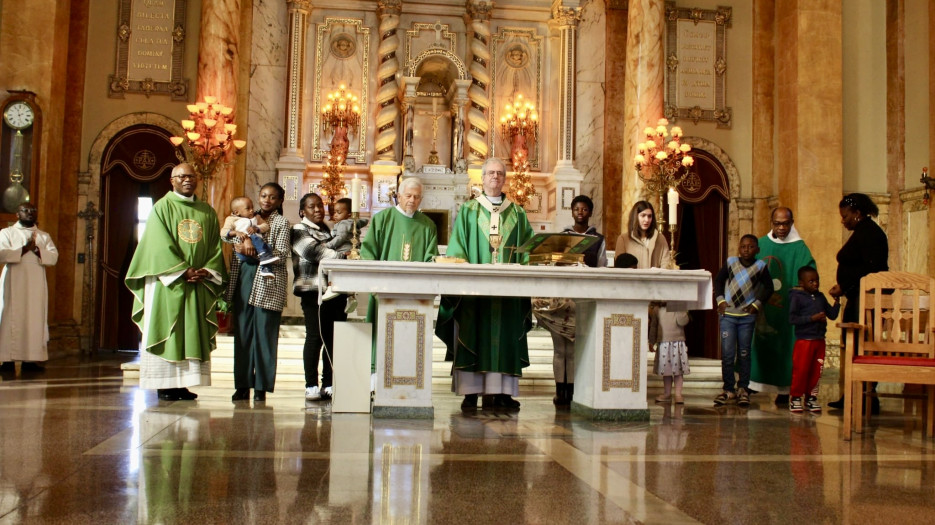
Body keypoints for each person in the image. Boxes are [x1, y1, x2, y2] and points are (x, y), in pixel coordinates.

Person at [435, 157, 535, 411]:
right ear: (482, 177)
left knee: (507, 336)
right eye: (490, 173)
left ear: (505, 178)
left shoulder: (518, 213)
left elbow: (528, 250)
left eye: (500, 173)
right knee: (473, 331)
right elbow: (457, 249)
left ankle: (503, 393)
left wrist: (523, 267)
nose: (495, 177)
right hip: (474, 293)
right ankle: (471, 392)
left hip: (509, 293)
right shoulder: (469, 211)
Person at [125, 163, 227, 401]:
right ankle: (165, 384)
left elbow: (214, 247)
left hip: (197, 283)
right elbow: (157, 244)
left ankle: (183, 384)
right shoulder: (162, 207)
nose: (187, 180)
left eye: (191, 176)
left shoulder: (207, 211)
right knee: (169, 331)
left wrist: (206, 270)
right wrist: (183, 270)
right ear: (172, 180)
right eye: (182, 177)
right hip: (168, 283)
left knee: (191, 330)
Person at [360, 177, 438, 384]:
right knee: (381, 334)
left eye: (417, 197)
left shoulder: (428, 225)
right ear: (398, 196)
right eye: (408, 196)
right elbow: (368, 252)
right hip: (384, 291)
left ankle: (409, 378)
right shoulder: (382, 219)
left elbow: (432, 258)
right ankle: (376, 380)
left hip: (415, 295)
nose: (412, 200)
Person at [532, 194, 607, 406]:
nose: (580, 213)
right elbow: (553, 265)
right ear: (572, 212)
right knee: (559, 349)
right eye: (577, 209)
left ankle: (571, 391)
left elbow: (601, 267)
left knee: (573, 350)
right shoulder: (562, 237)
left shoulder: (598, 239)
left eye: (584, 209)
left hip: (582, 299)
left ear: (590, 212)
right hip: (561, 298)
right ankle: (559, 390)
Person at [227, 182, 290, 403]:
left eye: (273, 197)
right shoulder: (245, 218)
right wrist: (242, 244)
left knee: (265, 334)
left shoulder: (282, 223)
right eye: (263, 195)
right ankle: (242, 385)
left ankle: (261, 386)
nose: (267, 200)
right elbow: (232, 241)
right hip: (245, 275)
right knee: (243, 334)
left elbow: (281, 255)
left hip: (269, 280)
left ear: (280, 201)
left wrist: (254, 252)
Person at [827, 193, 888, 410]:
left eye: (845, 216)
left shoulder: (870, 233)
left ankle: (866, 398)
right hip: (856, 297)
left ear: (858, 213)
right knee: (852, 347)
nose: (843, 220)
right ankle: (852, 396)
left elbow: (870, 270)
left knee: (862, 347)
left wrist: (845, 286)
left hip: (867, 301)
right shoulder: (863, 231)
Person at [750, 207, 816, 406]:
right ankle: (752, 384)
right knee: (759, 343)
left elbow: (809, 272)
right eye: (777, 224)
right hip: (763, 306)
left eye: (785, 224)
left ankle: (785, 390)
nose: (781, 228)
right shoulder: (760, 244)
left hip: (788, 307)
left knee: (787, 347)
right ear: (771, 222)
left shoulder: (800, 247)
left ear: (792, 222)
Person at [292, 193, 347, 402]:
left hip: (335, 290)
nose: (317, 210)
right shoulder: (298, 230)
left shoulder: (328, 231)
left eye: (320, 206)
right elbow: (314, 251)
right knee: (315, 337)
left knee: (333, 339)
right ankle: (311, 384)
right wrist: (342, 255)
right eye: (312, 207)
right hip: (312, 290)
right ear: (302, 211)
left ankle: (329, 383)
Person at [713, 235, 774, 407]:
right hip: (728, 316)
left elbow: (769, 287)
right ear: (739, 248)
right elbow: (718, 280)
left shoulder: (760, 266)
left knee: (744, 353)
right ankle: (728, 389)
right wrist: (720, 300)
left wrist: (757, 304)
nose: (746, 249)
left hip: (747, 317)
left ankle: (743, 389)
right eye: (743, 246)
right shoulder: (731, 262)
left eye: (751, 246)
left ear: (757, 250)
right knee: (727, 354)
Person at [0, 202, 59, 372]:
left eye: (33, 210)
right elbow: (2, 253)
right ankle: (7, 360)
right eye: (25, 210)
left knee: (34, 316)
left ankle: (30, 360)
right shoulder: (7, 233)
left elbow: (53, 257)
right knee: (10, 314)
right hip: (14, 280)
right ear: (17, 214)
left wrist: (39, 251)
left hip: (36, 283)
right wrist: (24, 249)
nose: (30, 213)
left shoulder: (43, 236)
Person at [788, 266, 840, 413]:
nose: (815, 284)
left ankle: (811, 398)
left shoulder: (820, 297)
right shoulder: (796, 297)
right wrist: (812, 318)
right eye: (811, 281)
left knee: (816, 371)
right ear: (801, 282)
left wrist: (837, 301)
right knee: (801, 370)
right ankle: (796, 398)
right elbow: (792, 319)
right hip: (804, 341)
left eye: (817, 280)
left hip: (819, 341)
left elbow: (832, 315)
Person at [221, 196, 279, 279]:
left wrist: (257, 228)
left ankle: (266, 269)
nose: (252, 210)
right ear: (237, 212)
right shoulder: (231, 219)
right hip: (242, 251)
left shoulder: (256, 217)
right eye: (248, 208)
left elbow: (266, 226)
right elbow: (223, 232)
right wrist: (236, 233)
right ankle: (264, 257)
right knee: (257, 240)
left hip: (257, 248)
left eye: (252, 207)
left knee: (268, 247)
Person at [614, 201, 670, 269]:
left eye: (649, 216)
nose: (647, 220)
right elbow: (620, 268)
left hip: (655, 279)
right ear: (635, 216)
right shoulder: (623, 239)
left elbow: (666, 265)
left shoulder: (660, 238)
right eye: (643, 215)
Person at [652, 306, 691, 404]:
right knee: (666, 371)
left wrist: (679, 308)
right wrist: (651, 341)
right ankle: (667, 393)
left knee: (678, 371)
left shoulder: (678, 307)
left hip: (677, 342)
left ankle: (678, 394)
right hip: (663, 342)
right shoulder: (657, 309)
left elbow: (684, 321)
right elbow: (654, 326)